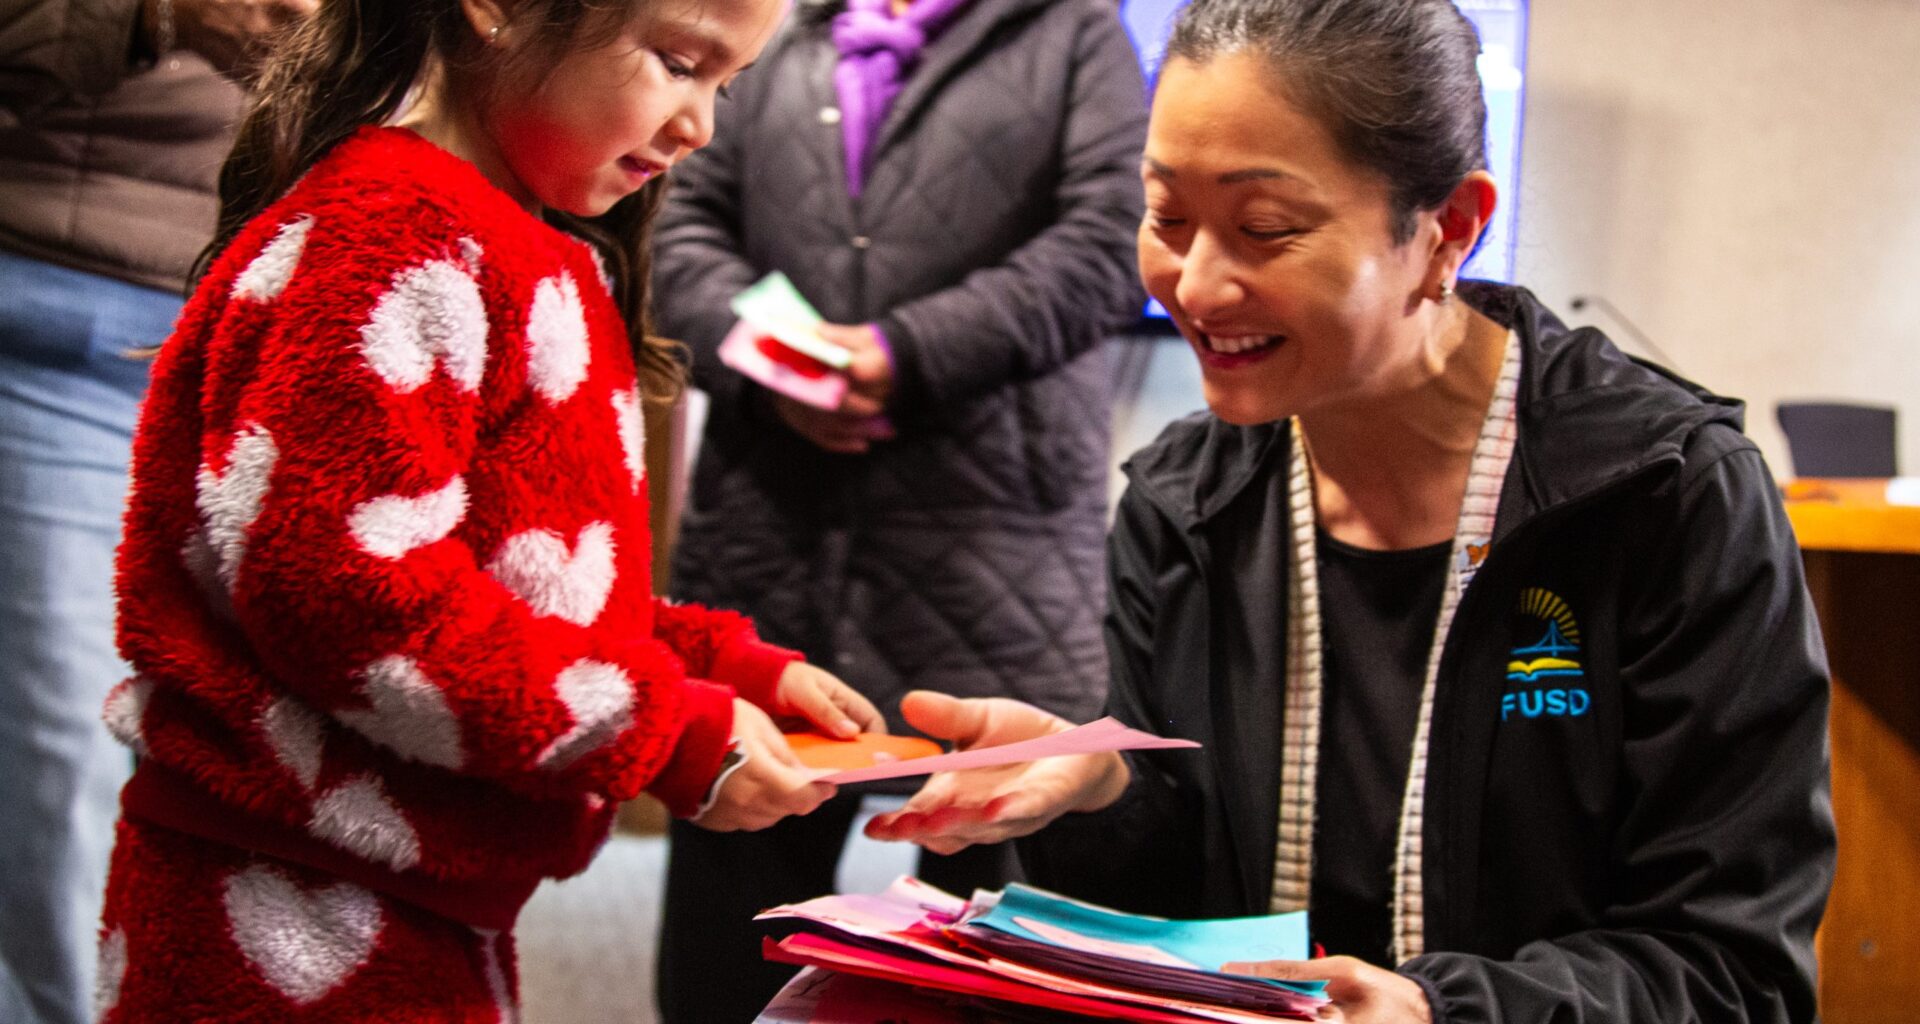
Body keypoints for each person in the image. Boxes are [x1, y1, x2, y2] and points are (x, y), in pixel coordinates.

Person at [864, 0, 1837, 1021]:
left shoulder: (1663, 496)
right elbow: (1171, 909)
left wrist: (1436, 1012)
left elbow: (1734, 972)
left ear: (1448, 228)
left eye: (1265, 229)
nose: (1195, 284)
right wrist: (1102, 787)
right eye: (1166, 218)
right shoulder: (1186, 501)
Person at [90, 0, 890, 1018]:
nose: (700, 126)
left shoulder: (525, 247)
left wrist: (720, 669)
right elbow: (347, 595)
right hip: (282, 904)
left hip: (417, 897)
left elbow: (520, 583)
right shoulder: (387, 237)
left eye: (724, 86)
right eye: (679, 63)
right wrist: (659, 728)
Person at [646, 0, 1148, 1017]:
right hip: (770, 532)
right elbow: (678, 225)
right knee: (726, 953)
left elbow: (1108, 242)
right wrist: (783, 364)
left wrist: (907, 353)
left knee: (989, 958)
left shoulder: (1074, 33)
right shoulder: (779, 26)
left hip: (994, 554)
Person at [0, 1, 313, 1021]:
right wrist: (156, 12)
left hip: (298, 333)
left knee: (276, 779)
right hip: (67, 317)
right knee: (60, 768)